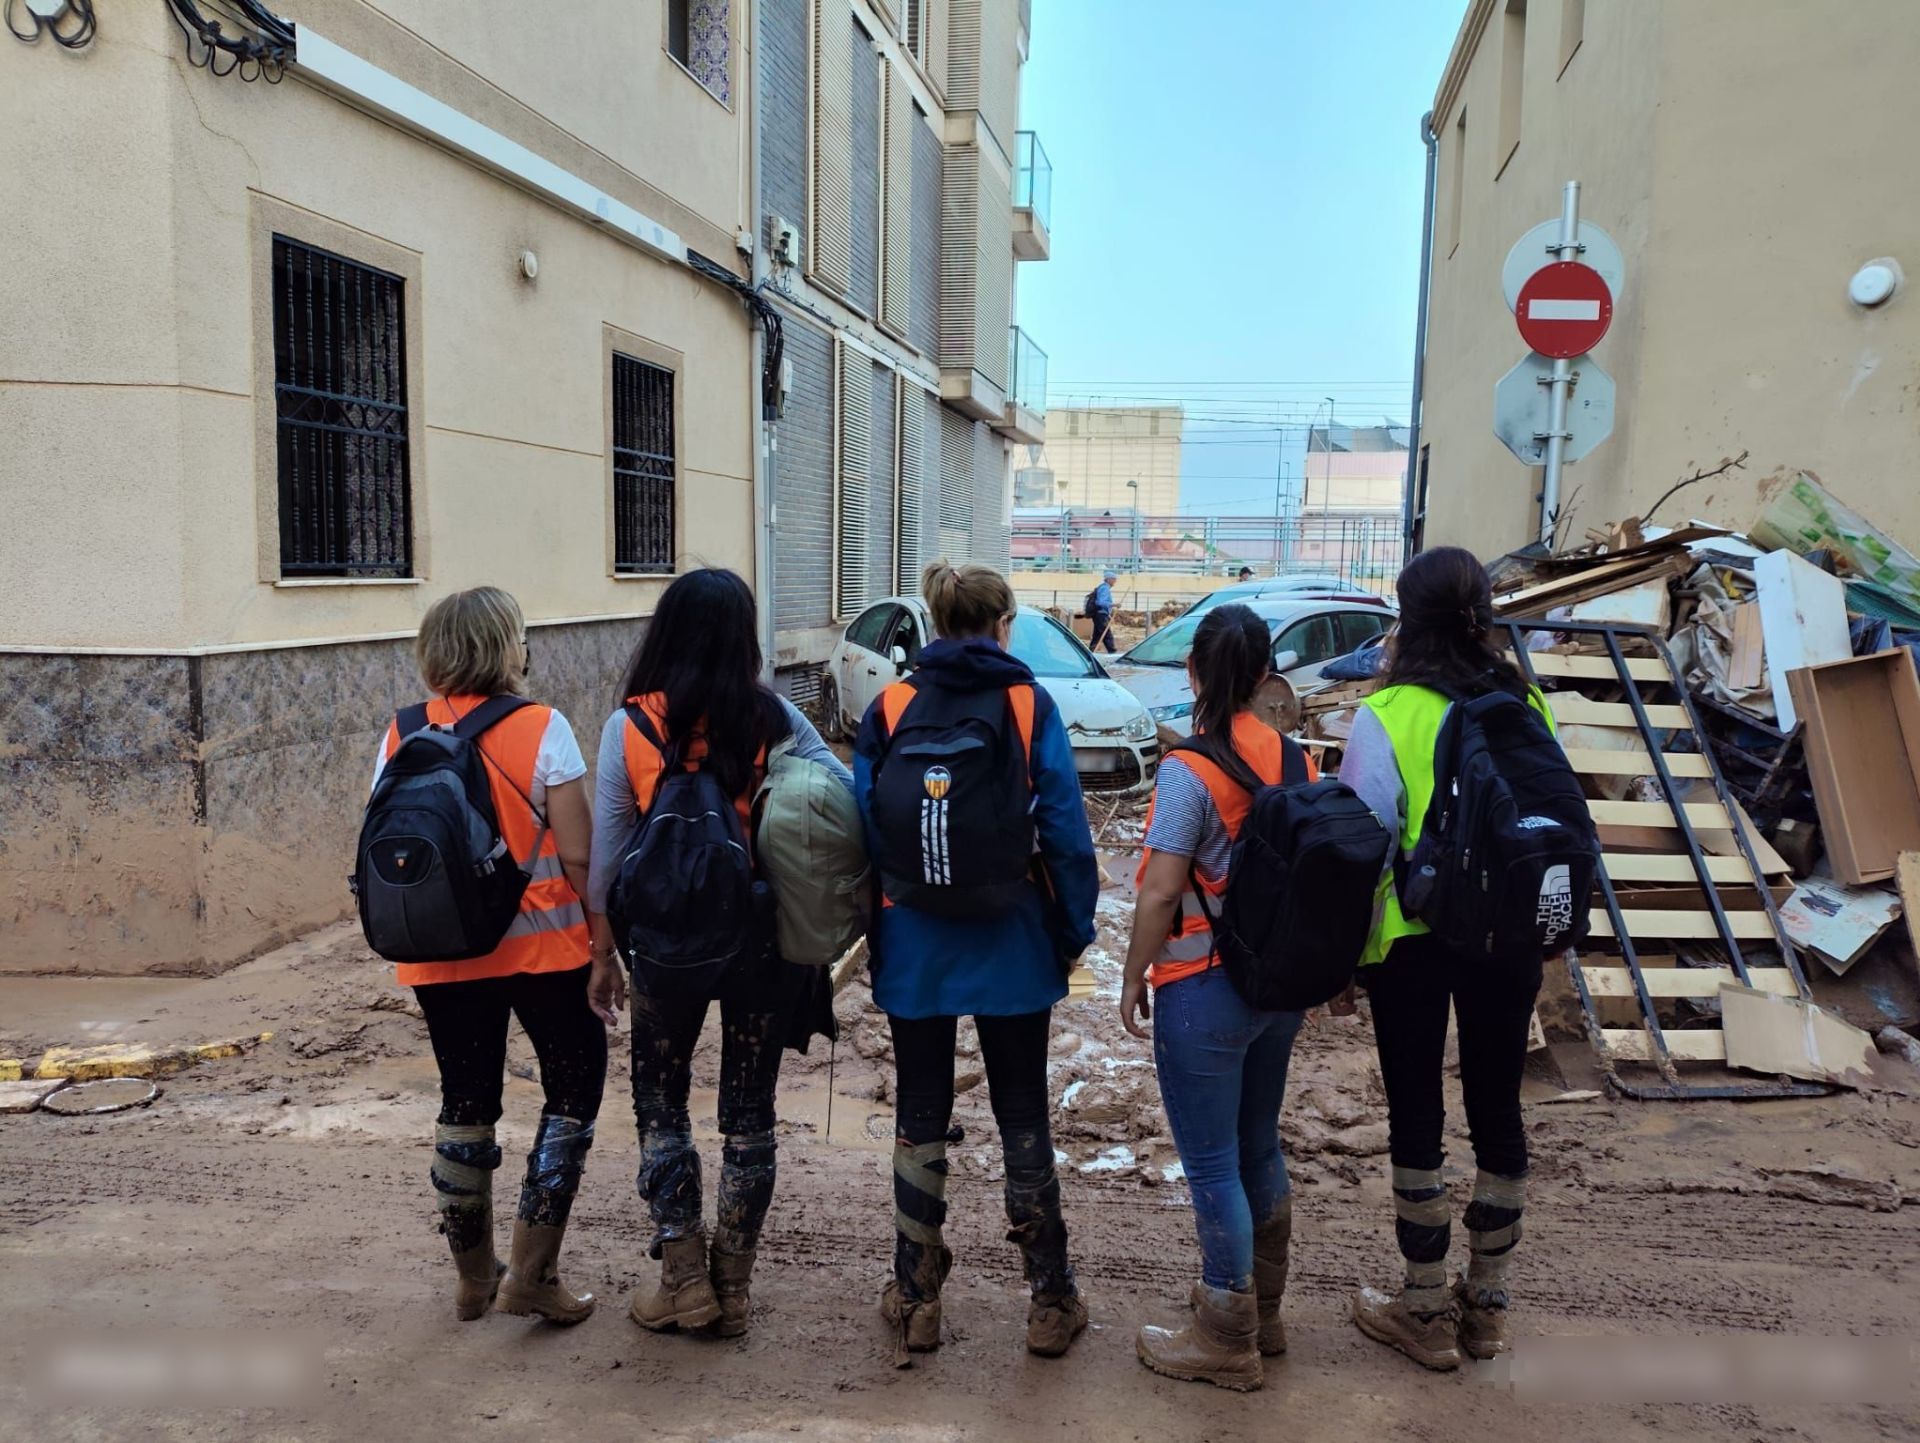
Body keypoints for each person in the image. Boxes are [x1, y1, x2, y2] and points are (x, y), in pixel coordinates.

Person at [587, 568, 851, 1341]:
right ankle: (732, 1286)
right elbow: (839, 801)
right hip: (760, 938)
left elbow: (605, 860)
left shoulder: (630, 727)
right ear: (744, 636)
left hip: (664, 944)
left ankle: (682, 1276)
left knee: (661, 1101)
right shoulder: (774, 719)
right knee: (749, 1113)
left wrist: (604, 953)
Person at [855, 561, 1099, 1362]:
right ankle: (1050, 1301)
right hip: (1012, 940)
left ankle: (917, 1297)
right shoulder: (1029, 703)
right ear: (1003, 625)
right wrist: (1070, 931)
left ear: (932, 621)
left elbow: (864, 828)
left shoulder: (891, 703)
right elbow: (1064, 830)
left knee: (919, 1114)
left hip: (915, 942)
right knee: (1023, 1110)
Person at [1336, 546, 1554, 1370]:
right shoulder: (1526, 699)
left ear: (1408, 615)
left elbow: (1363, 839)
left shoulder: (1388, 710)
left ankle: (1423, 1307)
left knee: (1417, 1114)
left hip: (1415, 940)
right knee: (1499, 1105)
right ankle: (1488, 1306)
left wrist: (1351, 960)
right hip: (1508, 934)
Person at [375, 586, 615, 1326]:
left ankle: (474, 1278)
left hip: (442, 955)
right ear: (504, 645)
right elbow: (578, 852)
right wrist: (605, 944)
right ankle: (534, 1274)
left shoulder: (400, 731)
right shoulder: (543, 726)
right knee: (572, 1091)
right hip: (545, 952)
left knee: (466, 1098)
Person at [1118, 604, 1319, 1392]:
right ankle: (1264, 1315)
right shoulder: (1294, 758)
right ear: (1266, 670)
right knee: (1258, 1144)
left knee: (1210, 1163)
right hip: (1279, 988)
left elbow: (1162, 888)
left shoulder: (1188, 770)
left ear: (1194, 673)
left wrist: (1134, 972)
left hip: (1203, 990)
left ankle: (1224, 1332)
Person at [1088, 570, 1119, 653]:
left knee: (1097, 635)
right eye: (1114, 579)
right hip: (1100, 615)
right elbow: (1100, 602)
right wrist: (1114, 605)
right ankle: (1112, 651)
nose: (1115, 581)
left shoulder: (1103, 587)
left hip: (1101, 614)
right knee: (1107, 634)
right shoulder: (1104, 588)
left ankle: (1091, 650)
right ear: (1108, 579)